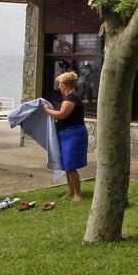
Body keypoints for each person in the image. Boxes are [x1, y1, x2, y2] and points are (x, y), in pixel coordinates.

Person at [42, 70, 88, 201]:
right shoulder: (69, 98)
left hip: (73, 134)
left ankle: (77, 194)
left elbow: (62, 114)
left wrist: (47, 110)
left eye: (60, 84)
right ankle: (71, 191)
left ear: (65, 85)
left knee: (71, 165)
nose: (58, 87)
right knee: (67, 165)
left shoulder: (72, 98)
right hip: (66, 134)